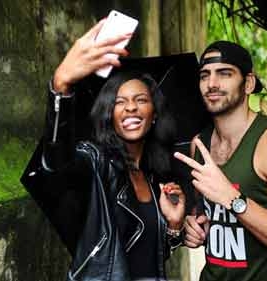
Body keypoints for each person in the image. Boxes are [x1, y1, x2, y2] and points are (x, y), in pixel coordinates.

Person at [20, 20, 185, 281]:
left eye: (141, 99)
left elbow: (145, 255)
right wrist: (61, 86)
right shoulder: (96, 161)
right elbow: (57, 165)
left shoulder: (154, 179)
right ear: (110, 116)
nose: (131, 107)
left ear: (154, 115)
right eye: (120, 102)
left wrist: (174, 226)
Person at [173, 41, 267, 280]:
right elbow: (210, 216)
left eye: (224, 73)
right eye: (204, 75)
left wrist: (232, 198)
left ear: (248, 83)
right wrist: (195, 228)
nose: (212, 84)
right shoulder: (199, 144)